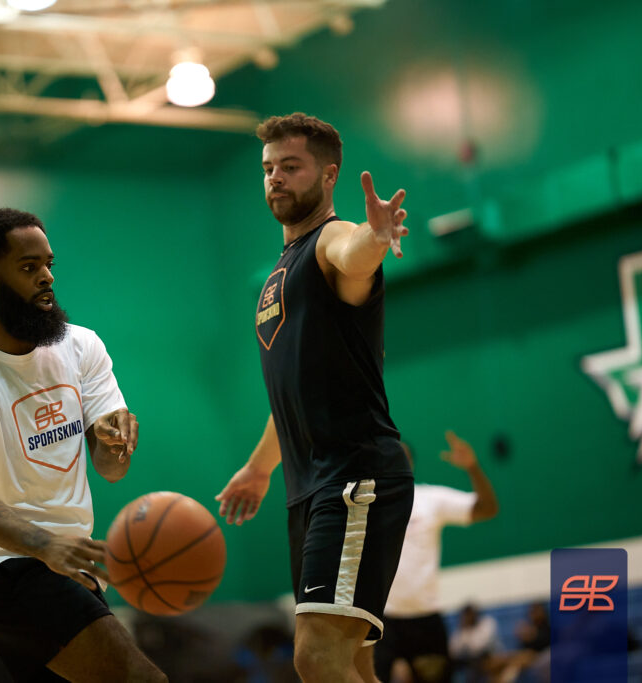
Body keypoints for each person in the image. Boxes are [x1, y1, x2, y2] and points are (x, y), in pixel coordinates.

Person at [215, 112, 414, 683]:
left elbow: (353, 255)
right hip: (310, 488)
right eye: (268, 168)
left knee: (317, 656)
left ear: (329, 176)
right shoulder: (280, 270)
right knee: (351, 663)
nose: (275, 177)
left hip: (354, 476)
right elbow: (297, 392)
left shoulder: (329, 239)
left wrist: (375, 237)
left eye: (291, 166)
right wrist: (259, 469)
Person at [0, 208, 167, 683]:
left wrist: (115, 445)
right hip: (7, 568)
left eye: (48, 264)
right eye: (28, 266)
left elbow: (111, 470)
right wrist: (46, 545)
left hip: (68, 565)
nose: (47, 277)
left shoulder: (82, 347)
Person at [374, 432, 500, 682]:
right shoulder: (366, 505)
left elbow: (488, 508)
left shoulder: (431, 499)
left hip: (426, 619)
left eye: (401, 457)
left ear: (410, 464)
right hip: (382, 621)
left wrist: (473, 468)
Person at [449, 603, 501, 683]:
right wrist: (463, 630)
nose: (469, 618)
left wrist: (467, 632)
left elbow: (479, 647)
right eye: (466, 616)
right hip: (472, 663)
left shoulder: (487, 623)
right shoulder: (462, 630)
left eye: (471, 614)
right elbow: (452, 651)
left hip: (491, 658)